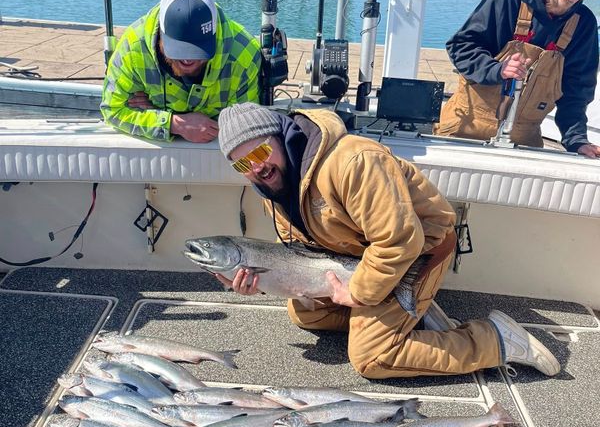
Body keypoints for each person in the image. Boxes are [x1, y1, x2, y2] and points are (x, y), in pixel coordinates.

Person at [214, 101, 560, 380]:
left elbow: (399, 242)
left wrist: (360, 294)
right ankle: (408, 316)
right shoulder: (273, 185)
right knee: (306, 315)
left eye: (260, 153)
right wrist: (261, 283)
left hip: (419, 252)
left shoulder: (353, 162)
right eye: (242, 163)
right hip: (356, 259)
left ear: (280, 137)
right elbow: (302, 249)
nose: (256, 168)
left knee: (372, 358)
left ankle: (495, 340)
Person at [436, 0, 600, 157]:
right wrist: (496, 69)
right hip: (464, 128)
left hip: (523, 141)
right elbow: (461, 46)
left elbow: (577, 93)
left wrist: (577, 140)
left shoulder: (584, 25)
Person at [101, 0, 262, 142]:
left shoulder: (244, 54)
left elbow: (244, 126)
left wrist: (156, 111)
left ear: (214, 35)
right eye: (179, 49)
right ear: (160, 34)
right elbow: (112, 110)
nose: (188, 59)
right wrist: (173, 124)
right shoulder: (132, 48)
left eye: (199, 49)